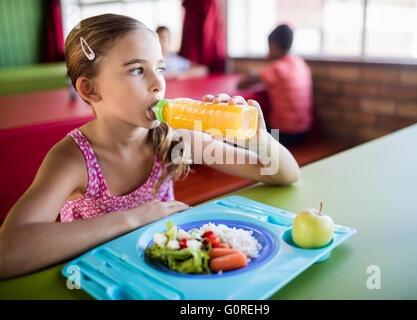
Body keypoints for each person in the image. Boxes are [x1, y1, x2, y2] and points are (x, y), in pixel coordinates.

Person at [0, 14, 300, 279]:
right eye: (136, 70)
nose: (159, 83)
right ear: (90, 89)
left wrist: (259, 138)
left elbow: (283, 173)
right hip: (99, 281)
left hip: (162, 276)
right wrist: (135, 217)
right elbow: (8, 252)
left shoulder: (173, 139)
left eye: (160, 67)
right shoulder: (72, 159)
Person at [237, 24, 314, 147]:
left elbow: (242, 84)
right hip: (305, 131)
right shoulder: (300, 63)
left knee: (244, 125)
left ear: (275, 45)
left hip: (284, 134)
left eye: (269, 46)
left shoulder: (277, 68)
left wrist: (254, 73)